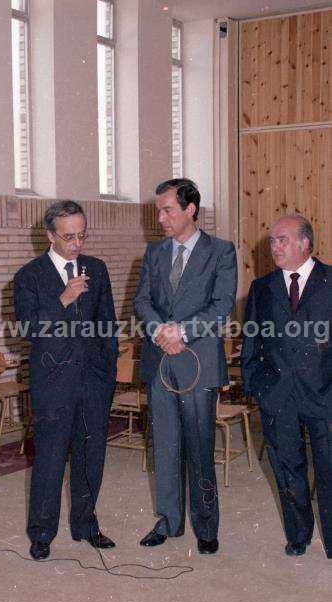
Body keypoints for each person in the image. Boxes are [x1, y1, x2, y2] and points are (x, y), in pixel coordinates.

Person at [134, 178, 237, 554]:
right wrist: (161, 329)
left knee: (199, 447)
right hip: (161, 360)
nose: (160, 218)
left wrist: (183, 331)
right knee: (164, 446)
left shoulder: (221, 252)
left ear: (190, 209)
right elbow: (141, 301)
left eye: (167, 210)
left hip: (198, 362)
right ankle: (168, 520)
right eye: (158, 210)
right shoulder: (154, 253)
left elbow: (222, 304)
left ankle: (206, 527)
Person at [14, 200, 118, 560]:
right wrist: (63, 298)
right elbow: (27, 328)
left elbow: (108, 327)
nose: (77, 244)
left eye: (82, 235)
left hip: (93, 382)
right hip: (53, 383)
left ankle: (86, 524)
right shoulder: (30, 275)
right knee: (50, 459)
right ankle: (41, 533)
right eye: (69, 236)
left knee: (92, 456)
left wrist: (108, 378)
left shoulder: (97, 269)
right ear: (50, 236)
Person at [241, 214, 332, 559]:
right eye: (272, 241)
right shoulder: (262, 287)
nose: (274, 247)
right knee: (287, 468)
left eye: (282, 240)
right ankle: (298, 535)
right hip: (278, 396)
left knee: (328, 468)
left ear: (305, 243)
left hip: (325, 394)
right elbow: (251, 340)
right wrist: (256, 386)